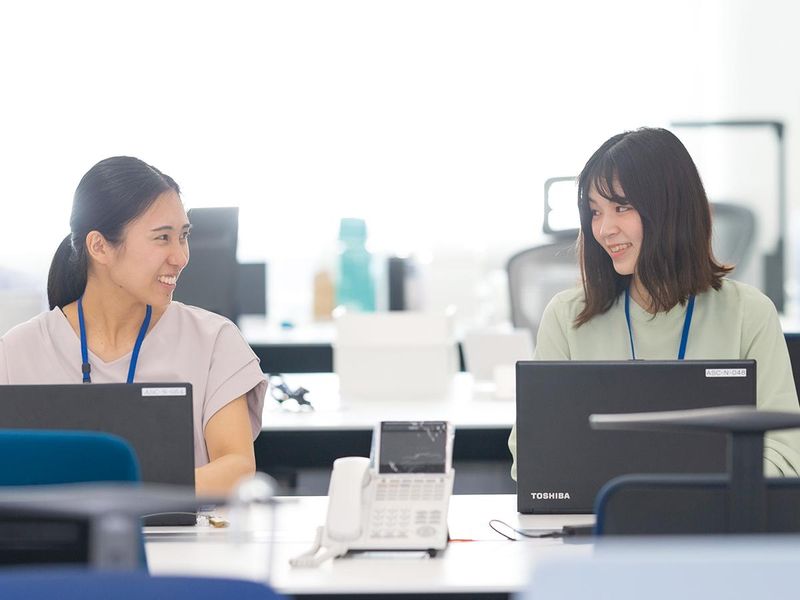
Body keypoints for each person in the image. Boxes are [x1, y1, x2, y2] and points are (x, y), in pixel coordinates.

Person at [509, 127, 800, 479]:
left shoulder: (748, 314)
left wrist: (689, 485)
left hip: (715, 512)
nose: (604, 229)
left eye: (621, 207)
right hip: (601, 511)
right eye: (595, 212)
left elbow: (787, 453)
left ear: (670, 209)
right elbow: (532, 451)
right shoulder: (567, 316)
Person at [0, 157, 266, 495]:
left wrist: (125, 493)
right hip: (55, 531)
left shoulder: (214, 340)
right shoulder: (17, 352)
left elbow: (237, 468)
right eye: (162, 238)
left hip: (183, 531)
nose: (181, 257)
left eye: (183, 236)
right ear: (99, 246)